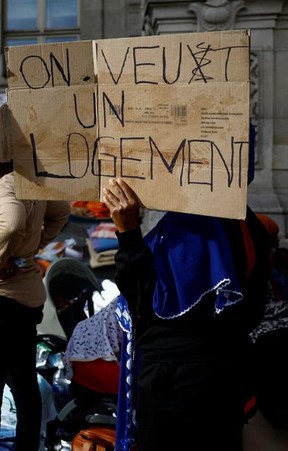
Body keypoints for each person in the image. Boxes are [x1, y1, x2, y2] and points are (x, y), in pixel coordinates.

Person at [104, 178, 271, 451]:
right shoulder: (244, 219)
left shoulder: (191, 229)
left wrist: (128, 232)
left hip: (177, 392)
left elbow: (145, 308)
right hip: (224, 380)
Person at [0, 125, 70, 450]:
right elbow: (61, 212)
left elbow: (11, 219)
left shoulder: (2, 190)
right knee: (25, 391)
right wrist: (30, 248)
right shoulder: (32, 183)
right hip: (23, 305)